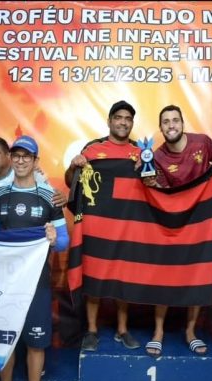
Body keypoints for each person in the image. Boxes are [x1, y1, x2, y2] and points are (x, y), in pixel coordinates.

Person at [0, 136, 69, 381]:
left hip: (36, 283)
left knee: (36, 343)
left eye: (26, 156)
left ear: (35, 161)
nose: (21, 161)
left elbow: (64, 242)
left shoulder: (49, 196)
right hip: (4, 283)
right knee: (4, 342)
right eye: (17, 155)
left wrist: (54, 239)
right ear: (11, 158)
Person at [142, 105, 212, 357]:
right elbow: (160, 193)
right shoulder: (155, 156)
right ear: (161, 127)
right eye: (166, 122)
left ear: (182, 123)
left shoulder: (203, 142)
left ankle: (191, 332)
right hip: (170, 225)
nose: (171, 125)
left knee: (198, 276)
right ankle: (158, 332)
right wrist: (152, 184)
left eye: (175, 120)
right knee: (164, 276)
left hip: (201, 223)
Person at [64, 100, 141, 352]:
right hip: (96, 225)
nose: (123, 122)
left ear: (132, 123)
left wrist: (147, 171)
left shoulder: (140, 152)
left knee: (124, 278)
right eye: (118, 117)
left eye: (128, 118)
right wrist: (73, 165)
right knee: (93, 278)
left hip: (126, 226)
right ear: (109, 121)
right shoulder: (93, 149)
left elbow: (152, 186)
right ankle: (92, 330)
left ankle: (122, 329)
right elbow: (71, 182)